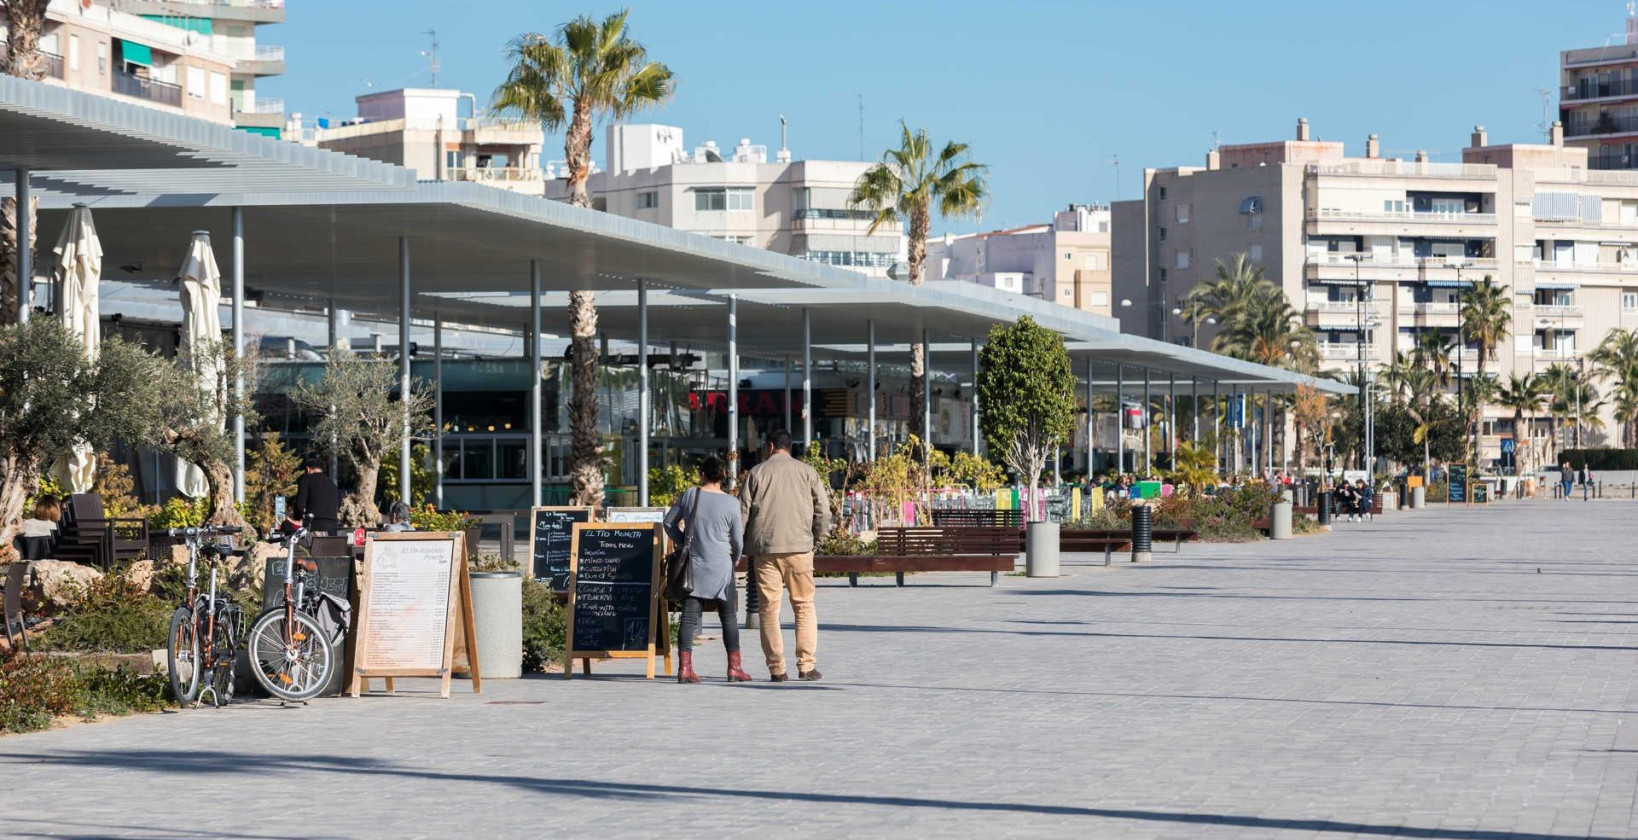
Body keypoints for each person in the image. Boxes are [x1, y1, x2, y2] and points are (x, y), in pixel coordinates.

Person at [740, 431, 831, 682]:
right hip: (800, 548)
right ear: (789, 447)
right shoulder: (807, 472)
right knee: (804, 606)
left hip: (765, 550)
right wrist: (817, 540)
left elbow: (742, 513)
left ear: (770, 446)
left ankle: (777, 669)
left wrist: (738, 546)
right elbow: (823, 511)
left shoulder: (756, 473)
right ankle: (806, 665)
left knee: (769, 610)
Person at [663, 457, 750, 684]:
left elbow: (668, 522)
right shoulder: (731, 503)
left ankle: (684, 668)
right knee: (728, 617)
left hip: (695, 566)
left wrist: (682, 542)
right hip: (722, 567)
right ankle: (734, 668)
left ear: (702, 473)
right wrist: (735, 559)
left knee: (689, 616)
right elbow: (738, 541)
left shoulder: (691, 495)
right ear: (723, 476)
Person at [294, 458, 341, 534]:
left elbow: (300, 506)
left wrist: (298, 518)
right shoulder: (332, 483)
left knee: (312, 545)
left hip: (315, 524)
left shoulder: (306, 480)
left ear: (308, 469)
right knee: (330, 545)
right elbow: (338, 504)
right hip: (333, 525)